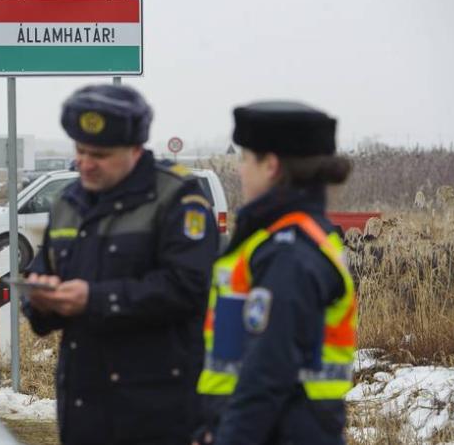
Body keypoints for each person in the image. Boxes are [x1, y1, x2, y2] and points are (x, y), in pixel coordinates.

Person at [21, 84, 218, 445]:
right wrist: (40, 301)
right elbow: (43, 270)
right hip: (82, 409)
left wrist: (94, 300)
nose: (85, 163)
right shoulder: (68, 202)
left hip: (158, 414)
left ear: (134, 150)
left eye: (99, 154)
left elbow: (188, 288)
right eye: (80, 151)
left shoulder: (177, 199)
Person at [192, 101, 356, 444]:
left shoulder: (288, 251)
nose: (239, 170)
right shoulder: (285, 237)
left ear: (270, 165)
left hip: (281, 431)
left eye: (245, 159)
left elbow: (267, 371)